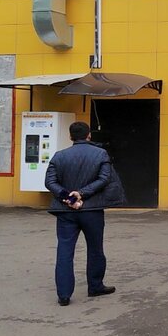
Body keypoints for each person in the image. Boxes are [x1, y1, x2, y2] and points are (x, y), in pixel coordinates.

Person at [44, 121, 123, 306]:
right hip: (92, 210)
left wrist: (69, 198)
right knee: (95, 249)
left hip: (65, 211)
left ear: (70, 137)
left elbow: (50, 182)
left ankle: (64, 296)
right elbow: (104, 179)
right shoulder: (100, 153)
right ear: (89, 135)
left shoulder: (59, 156)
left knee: (64, 251)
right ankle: (95, 286)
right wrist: (82, 194)